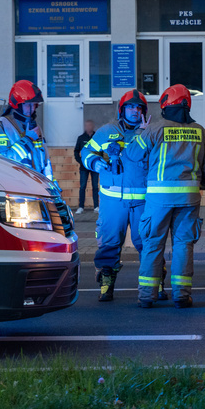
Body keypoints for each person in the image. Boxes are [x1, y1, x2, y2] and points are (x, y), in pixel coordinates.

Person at [124, 84, 205, 309]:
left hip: (158, 199)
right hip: (189, 199)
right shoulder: (201, 132)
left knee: (153, 245)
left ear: (166, 105)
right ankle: (182, 296)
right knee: (184, 245)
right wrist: (200, 185)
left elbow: (132, 153)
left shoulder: (155, 129)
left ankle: (147, 296)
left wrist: (141, 131)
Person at [80, 90, 154, 302]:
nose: (134, 110)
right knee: (109, 243)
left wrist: (146, 135)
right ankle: (106, 284)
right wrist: (95, 162)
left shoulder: (150, 133)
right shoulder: (106, 132)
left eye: (138, 107)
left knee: (148, 243)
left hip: (142, 201)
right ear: (122, 110)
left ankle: (155, 283)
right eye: (130, 107)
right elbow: (86, 153)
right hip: (113, 202)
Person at [0, 80, 56, 184]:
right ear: (17, 105)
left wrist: (52, 186)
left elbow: (45, 162)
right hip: (14, 190)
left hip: (38, 189)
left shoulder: (36, 127)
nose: (32, 109)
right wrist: (28, 140)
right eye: (28, 105)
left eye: (34, 105)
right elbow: (1, 161)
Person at [74, 120, 99, 215]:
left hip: (95, 166)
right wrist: (81, 161)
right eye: (86, 125)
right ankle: (81, 207)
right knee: (83, 187)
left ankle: (96, 206)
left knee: (95, 186)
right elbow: (76, 151)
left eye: (90, 125)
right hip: (84, 168)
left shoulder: (97, 137)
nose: (88, 127)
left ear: (93, 126)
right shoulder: (81, 138)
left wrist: (98, 161)